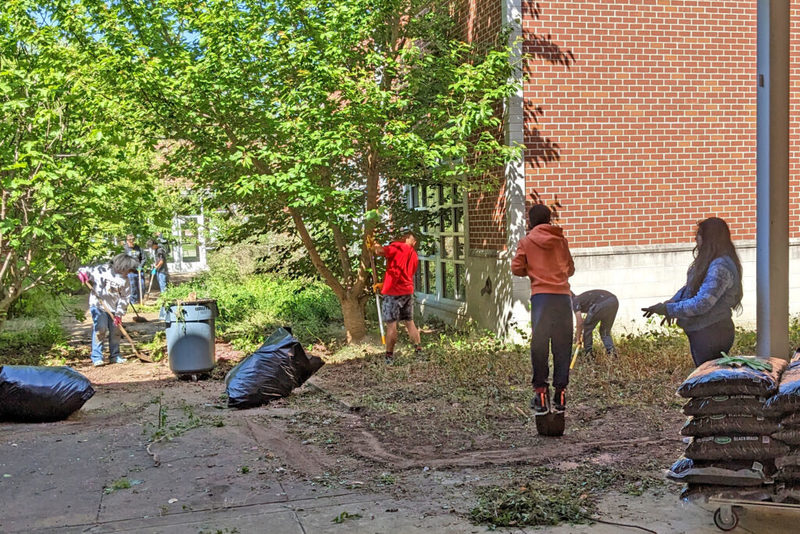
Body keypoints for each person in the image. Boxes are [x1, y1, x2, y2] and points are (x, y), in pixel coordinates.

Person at [642, 217, 743, 367]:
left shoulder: (720, 267)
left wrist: (669, 309)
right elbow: (689, 287)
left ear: (709, 238)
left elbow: (702, 303)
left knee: (708, 377)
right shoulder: (712, 262)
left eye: (699, 234)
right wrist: (673, 303)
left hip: (712, 333)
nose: (696, 238)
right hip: (705, 331)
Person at [511, 204, 575, 414]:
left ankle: (540, 394)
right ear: (549, 219)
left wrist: (533, 270)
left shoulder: (527, 241)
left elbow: (516, 267)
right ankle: (561, 393)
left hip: (541, 299)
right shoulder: (561, 241)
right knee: (562, 346)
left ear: (530, 221)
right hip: (563, 299)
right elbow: (570, 269)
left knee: (539, 345)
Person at [77, 253, 140, 366]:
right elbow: (83, 269)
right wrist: (82, 274)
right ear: (122, 266)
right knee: (100, 329)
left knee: (116, 331)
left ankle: (115, 355)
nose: (129, 273)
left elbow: (125, 297)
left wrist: (119, 313)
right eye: (128, 270)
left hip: (115, 309)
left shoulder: (125, 281)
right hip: (98, 305)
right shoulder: (101, 270)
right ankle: (97, 357)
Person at [370, 229, 422, 363]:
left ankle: (389, 356)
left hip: (393, 293)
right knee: (409, 322)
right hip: (407, 291)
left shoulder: (398, 247)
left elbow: (380, 251)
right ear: (411, 240)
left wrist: (373, 244)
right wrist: (384, 284)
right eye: (414, 241)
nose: (414, 243)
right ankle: (418, 350)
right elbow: (404, 273)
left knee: (392, 325)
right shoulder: (414, 255)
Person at [572, 289, 619, 357]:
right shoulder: (582, 298)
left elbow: (579, 322)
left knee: (587, 328)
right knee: (605, 331)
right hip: (613, 301)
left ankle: (589, 354)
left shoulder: (574, 301)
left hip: (602, 303)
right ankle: (612, 354)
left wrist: (578, 339)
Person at [123, 234, 145, 304]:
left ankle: (140, 300)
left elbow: (144, 258)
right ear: (127, 241)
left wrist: (141, 266)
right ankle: (133, 301)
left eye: (133, 240)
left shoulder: (138, 248)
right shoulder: (125, 249)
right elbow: (123, 260)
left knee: (142, 286)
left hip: (139, 271)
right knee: (133, 287)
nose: (131, 242)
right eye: (130, 240)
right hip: (130, 272)